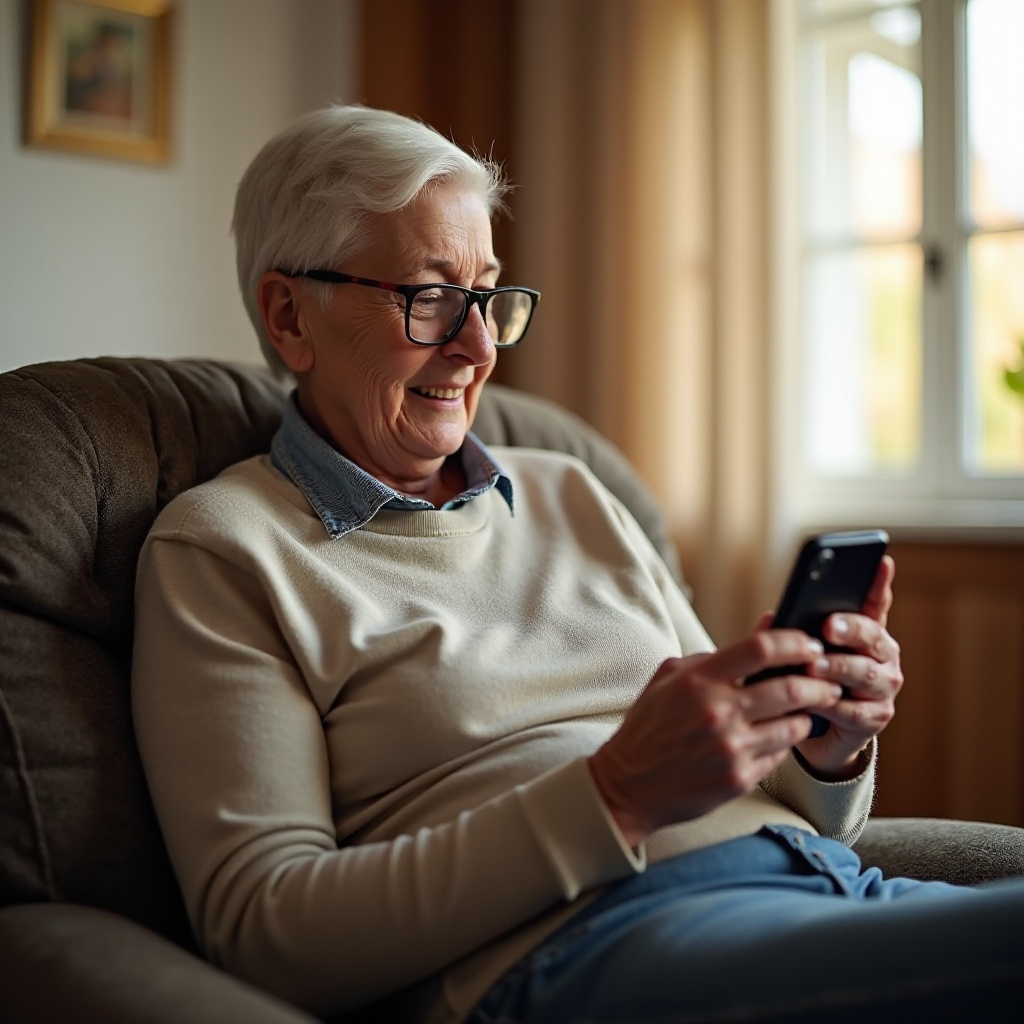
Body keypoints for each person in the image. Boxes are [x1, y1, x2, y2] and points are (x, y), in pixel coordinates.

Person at [131, 105, 1023, 1024]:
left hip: (820, 886)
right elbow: (265, 934)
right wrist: (616, 794)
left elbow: (779, 796)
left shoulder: (570, 491)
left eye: (485, 297)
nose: (477, 348)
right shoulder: (225, 549)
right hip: (587, 952)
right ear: (290, 316)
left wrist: (823, 747)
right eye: (428, 298)